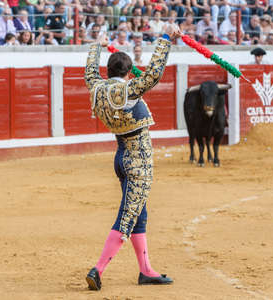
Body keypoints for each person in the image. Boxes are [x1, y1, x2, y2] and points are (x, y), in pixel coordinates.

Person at [84, 24, 182, 291]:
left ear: (108, 71)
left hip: (120, 156)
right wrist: (164, 39)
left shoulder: (97, 89)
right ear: (128, 73)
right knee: (126, 217)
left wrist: (97, 45)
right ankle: (98, 269)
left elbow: (89, 71)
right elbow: (154, 75)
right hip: (138, 161)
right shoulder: (127, 91)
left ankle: (146, 270)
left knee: (139, 213)